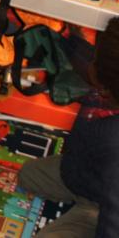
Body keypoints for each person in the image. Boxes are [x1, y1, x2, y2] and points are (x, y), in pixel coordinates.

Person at [19, 17, 119, 237]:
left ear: (106, 85)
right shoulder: (107, 87)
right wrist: (70, 34)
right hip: (81, 172)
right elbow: (85, 60)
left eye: (96, 60)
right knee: (27, 174)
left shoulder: (115, 145)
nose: (91, 62)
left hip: (104, 206)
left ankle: (89, 214)